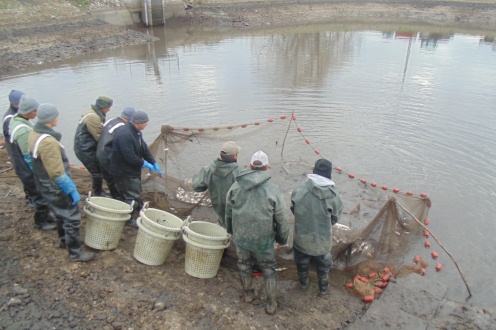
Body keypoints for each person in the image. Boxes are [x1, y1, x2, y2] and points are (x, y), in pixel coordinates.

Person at [225, 150, 290, 315]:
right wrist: (282, 239)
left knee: (244, 264)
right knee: (269, 269)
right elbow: (282, 219)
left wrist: (231, 231)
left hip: (241, 237)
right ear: (267, 167)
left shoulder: (235, 186)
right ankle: (271, 304)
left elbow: (228, 212)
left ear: (249, 165)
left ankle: (248, 294)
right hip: (264, 240)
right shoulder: (274, 190)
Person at [28, 103, 94, 262]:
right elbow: (57, 173)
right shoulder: (48, 142)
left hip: (43, 183)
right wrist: (71, 190)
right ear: (50, 119)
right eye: (57, 115)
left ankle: (64, 240)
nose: (58, 117)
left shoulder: (34, 133)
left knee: (59, 213)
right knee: (72, 216)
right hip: (55, 187)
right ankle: (75, 252)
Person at [290, 159, 343, 297]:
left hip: (301, 239)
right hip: (322, 242)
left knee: (301, 262)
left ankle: (303, 284)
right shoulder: (334, 196)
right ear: (329, 175)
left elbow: (293, 209)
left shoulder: (299, 189)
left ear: (314, 171)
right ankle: (323, 289)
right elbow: (335, 218)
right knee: (323, 266)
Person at [9, 95, 56, 231]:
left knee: (39, 193)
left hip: (20, 164)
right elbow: (28, 156)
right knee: (38, 194)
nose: (37, 114)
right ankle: (40, 222)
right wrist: (38, 173)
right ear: (29, 111)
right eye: (35, 111)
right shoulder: (23, 130)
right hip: (26, 169)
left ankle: (46, 216)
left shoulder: (18, 119)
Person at [110, 110, 162, 228]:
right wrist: (145, 164)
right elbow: (129, 157)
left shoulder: (137, 132)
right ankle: (129, 219)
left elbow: (144, 149)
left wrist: (153, 162)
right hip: (123, 171)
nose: (147, 125)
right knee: (131, 195)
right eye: (146, 122)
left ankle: (138, 206)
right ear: (138, 123)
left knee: (136, 190)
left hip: (132, 169)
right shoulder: (125, 135)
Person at [192, 141, 241, 229]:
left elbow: (196, 186)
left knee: (224, 225)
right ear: (234, 156)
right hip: (236, 212)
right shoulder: (240, 172)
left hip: (219, 209)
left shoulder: (208, 169)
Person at [73, 96, 113, 197]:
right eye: (108, 107)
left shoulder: (95, 113)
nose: (109, 109)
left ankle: (99, 190)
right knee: (96, 171)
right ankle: (97, 193)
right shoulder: (93, 117)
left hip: (88, 146)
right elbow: (100, 137)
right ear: (102, 107)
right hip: (84, 149)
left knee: (99, 169)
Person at [96, 106, 136, 200]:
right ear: (130, 119)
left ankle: (115, 197)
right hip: (108, 156)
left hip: (99, 153)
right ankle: (120, 199)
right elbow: (123, 146)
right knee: (117, 180)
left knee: (109, 179)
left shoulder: (111, 120)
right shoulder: (123, 127)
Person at [2, 89, 31, 205]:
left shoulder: (18, 113)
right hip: (16, 149)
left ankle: (31, 196)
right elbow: (12, 137)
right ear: (15, 103)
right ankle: (30, 199)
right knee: (25, 173)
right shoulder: (9, 118)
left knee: (28, 173)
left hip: (19, 146)